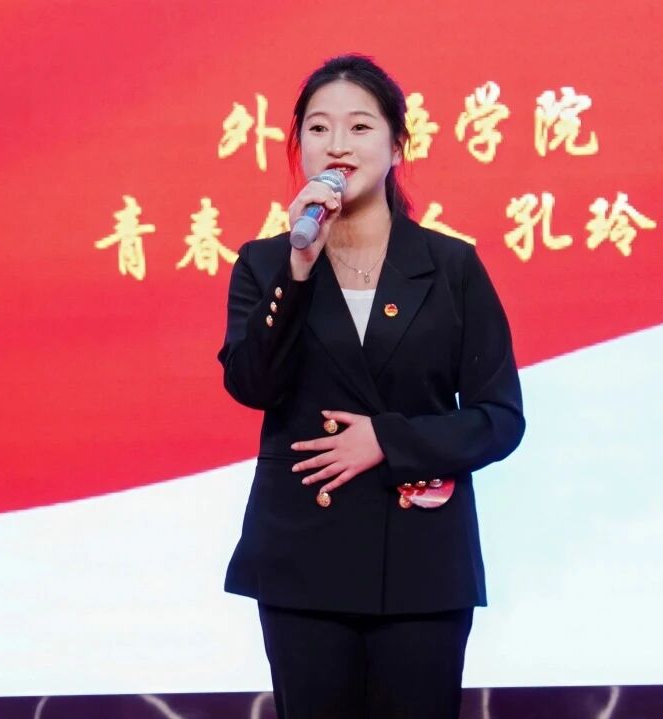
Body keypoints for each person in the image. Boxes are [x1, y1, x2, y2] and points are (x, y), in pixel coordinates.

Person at [218, 54, 525, 718]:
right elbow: (252, 382)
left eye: (359, 127)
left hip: (420, 559)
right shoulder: (266, 263)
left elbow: (499, 417)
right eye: (318, 128)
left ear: (396, 145)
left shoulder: (450, 266)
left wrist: (388, 440)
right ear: (299, 145)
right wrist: (299, 267)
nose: (337, 145)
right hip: (304, 557)